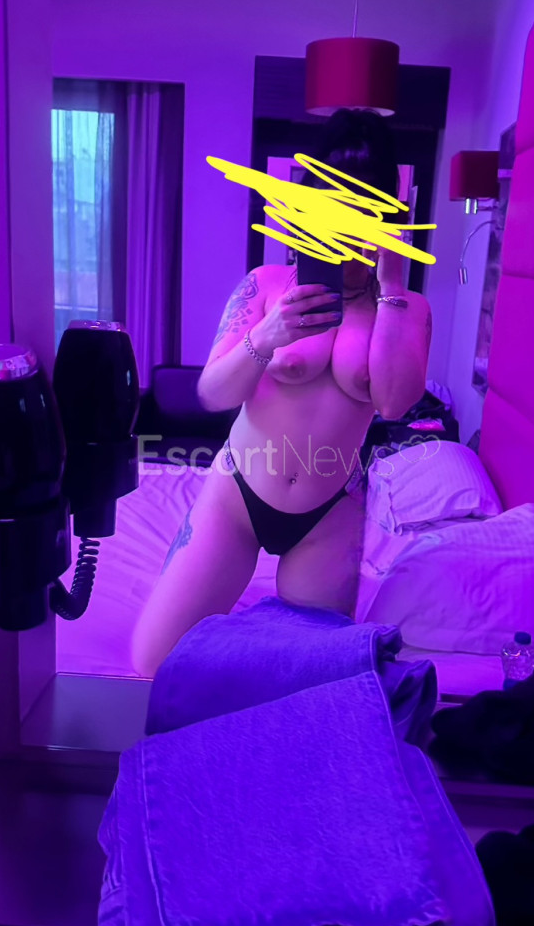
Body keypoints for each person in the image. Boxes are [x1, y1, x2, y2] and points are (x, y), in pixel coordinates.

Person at [130, 109, 432, 677]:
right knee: (153, 662)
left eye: (365, 207)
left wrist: (392, 284)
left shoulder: (406, 309)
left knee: (307, 682)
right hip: (237, 495)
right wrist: (266, 337)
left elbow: (393, 402)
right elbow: (212, 395)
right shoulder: (266, 286)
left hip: (330, 512)